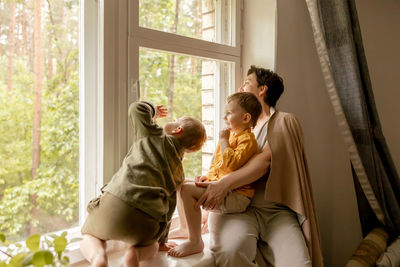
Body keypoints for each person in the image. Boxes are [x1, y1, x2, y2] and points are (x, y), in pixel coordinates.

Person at [195, 66, 324, 267]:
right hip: (240, 209)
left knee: (299, 263)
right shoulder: (236, 129)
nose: (240, 86)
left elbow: (263, 163)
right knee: (231, 253)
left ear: (262, 90)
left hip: (274, 211)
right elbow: (223, 164)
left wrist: (222, 185)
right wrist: (209, 197)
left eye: (246, 82)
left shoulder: (284, 122)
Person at [79, 101, 206, 267]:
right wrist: (161, 241)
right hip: (146, 223)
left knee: (88, 235)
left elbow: (135, 108)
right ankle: (135, 254)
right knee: (151, 247)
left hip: (116, 205)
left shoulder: (154, 135)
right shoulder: (179, 173)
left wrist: (152, 111)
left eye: (176, 119)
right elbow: (169, 207)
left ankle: (98, 258)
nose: (171, 120)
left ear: (177, 130)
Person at [168, 92, 262, 258]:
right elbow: (218, 165)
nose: (225, 117)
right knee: (181, 183)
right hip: (226, 190)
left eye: (229, 113)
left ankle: (195, 241)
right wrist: (207, 177)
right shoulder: (231, 135)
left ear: (246, 118)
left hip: (237, 197)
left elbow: (231, 163)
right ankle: (185, 227)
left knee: (187, 191)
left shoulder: (248, 141)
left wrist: (224, 140)